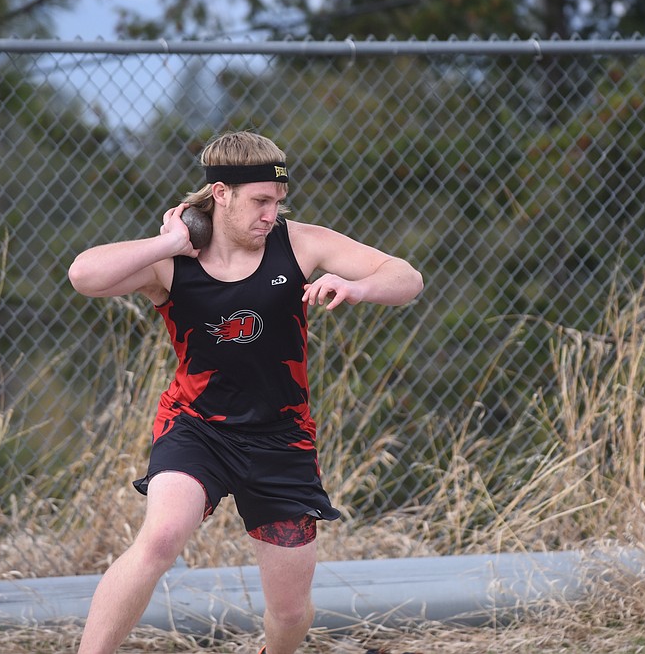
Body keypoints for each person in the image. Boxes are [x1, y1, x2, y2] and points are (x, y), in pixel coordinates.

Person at [67, 130, 424, 654]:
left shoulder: (299, 243)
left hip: (282, 440)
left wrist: (359, 287)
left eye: (278, 201)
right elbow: (83, 276)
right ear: (221, 195)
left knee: (287, 611)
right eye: (260, 201)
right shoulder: (174, 260)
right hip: (196, 428)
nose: (270, 214)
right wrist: (167, 242)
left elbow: (407, 278)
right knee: (163, 537)